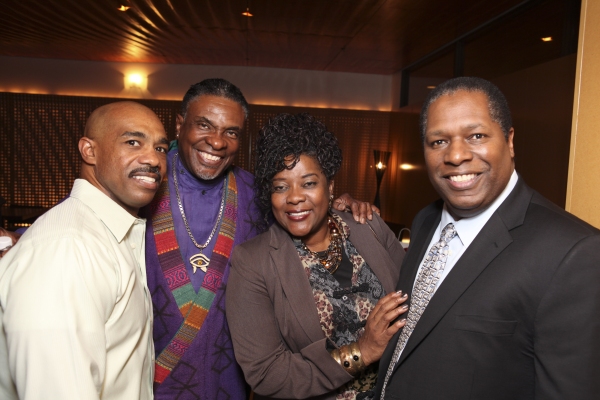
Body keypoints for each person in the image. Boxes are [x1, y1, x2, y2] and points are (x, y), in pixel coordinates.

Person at [145, 79, 377, 399]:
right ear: (180, 124)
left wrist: (338, 208)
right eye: (204, 125)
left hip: (232, 382)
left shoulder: (258, 193)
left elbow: (302, 215)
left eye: (231, 132)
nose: (217, 142)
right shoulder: (142, 186)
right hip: (148, 383)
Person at [376, 77, 600, 399]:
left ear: (509, 141)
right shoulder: (426, 220)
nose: (455, 155)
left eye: (476, 136)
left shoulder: (573, 253)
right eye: (438, 141)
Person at [226, 113, 408, 400]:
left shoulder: (369, 226)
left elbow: (416, 303)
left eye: (308, 183)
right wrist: (363, 351)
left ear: (330, 186)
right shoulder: (253, 262)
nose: (295, 197)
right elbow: (267, 375)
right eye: (280, 186)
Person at [0, 101, 169, 399]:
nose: (153, 159)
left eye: (161, 149)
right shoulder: (67, 249)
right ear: (89, 151)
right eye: (133, 142)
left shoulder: (107, 234)